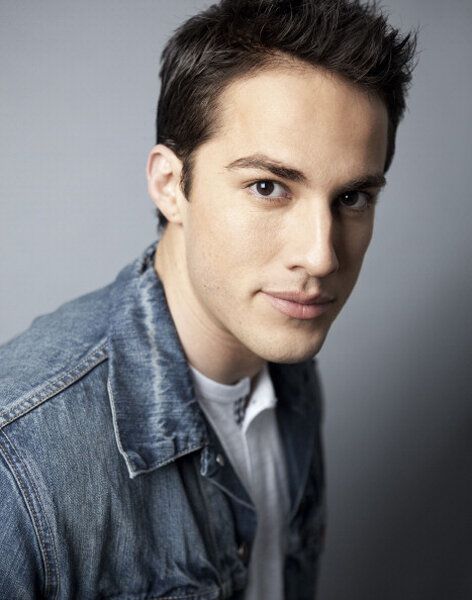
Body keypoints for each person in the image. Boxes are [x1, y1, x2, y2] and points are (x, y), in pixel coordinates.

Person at [0, 0, 417, 598]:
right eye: (268, 187)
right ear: (171, 185)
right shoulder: (20, 460)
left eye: (352, 198)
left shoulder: (289, 374)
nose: (321, 256)